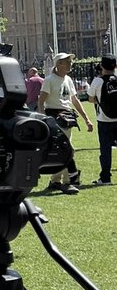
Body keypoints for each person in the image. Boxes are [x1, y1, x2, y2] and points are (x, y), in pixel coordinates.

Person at [40, 52, 93, 194]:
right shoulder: (50, 80)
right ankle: (69, 180)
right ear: (59, 64)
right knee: (67, 150)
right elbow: (41, 101)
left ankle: (55, 181)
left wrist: (86, 118)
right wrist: (45, 119)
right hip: (55, 117)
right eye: (67, 62)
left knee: (63, 150)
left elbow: (74, 100)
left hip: (67, 117)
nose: (71, 64)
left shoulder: (68, 79)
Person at [86, 55, 117, 186]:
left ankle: (105, 177)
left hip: (104, 119)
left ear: (102, 67)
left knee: (105, 150)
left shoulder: (97, 81)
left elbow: (90, 98)